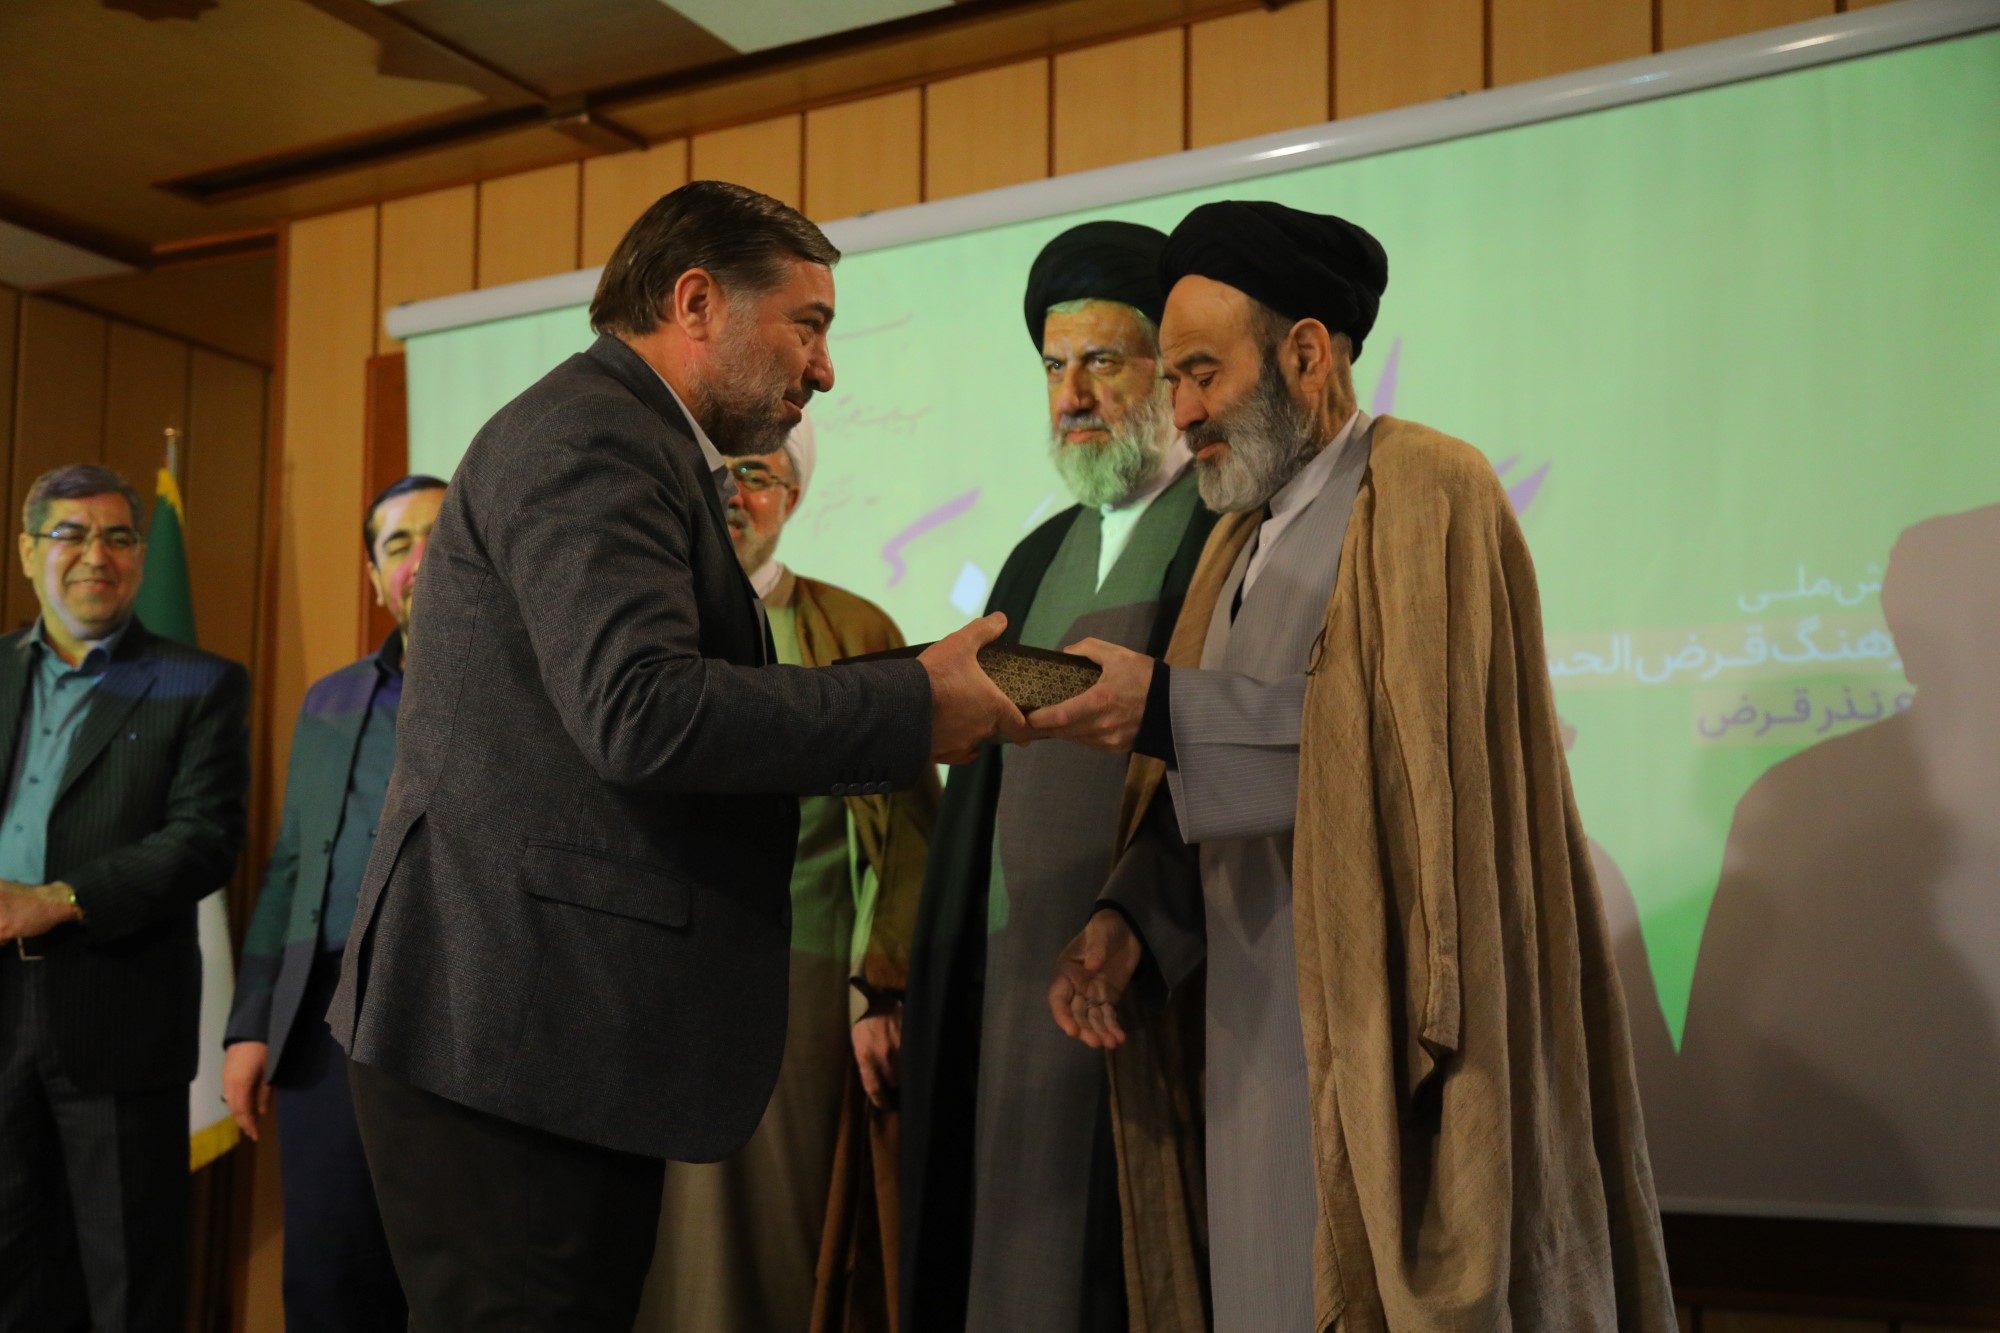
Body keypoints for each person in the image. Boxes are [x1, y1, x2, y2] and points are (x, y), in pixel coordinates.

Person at [325, 180, 1025, 1332]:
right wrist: (908, 705)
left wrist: (914, 686)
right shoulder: (592, 438)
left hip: (536, 1034)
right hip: (509, 1038)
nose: (824, 369)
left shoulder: (623, 433)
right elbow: (641, 712)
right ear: (695, 302)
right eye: (807, 325)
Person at [1033, 201, 1675, 1330]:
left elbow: (1416, 762)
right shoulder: (1233, 538)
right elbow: (1216, 796)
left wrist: (1165, 706)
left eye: (1200, 374)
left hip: (1391, 1046)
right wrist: (1130, 920)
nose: (1181, 413)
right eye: (1172, 381)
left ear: (1305, 354)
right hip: (1247, 1042)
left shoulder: (1426, 489)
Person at [899, 220, 1217, 1333]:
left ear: (1168, 369)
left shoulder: (1221, 532)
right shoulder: (1036, 554)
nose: (1071, 395)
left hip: (1152, 964)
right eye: (1052, 366)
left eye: (1101, 361)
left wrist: (1138, 919)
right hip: (1010, 967)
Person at [637, 420, 938, 1332]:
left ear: (793, 497)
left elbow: (910, 831)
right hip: (651, 985)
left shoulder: (854, 629)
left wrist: (882, 988)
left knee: (785, 1225)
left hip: (798, 985)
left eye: (757, 476)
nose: (734, 496)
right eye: (715, 475)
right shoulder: (644, 627)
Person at [0, 463, 251, 1333]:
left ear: (141, 557)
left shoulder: (200, 681)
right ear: (27, 551)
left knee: (128, 1287)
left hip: (113, 1010)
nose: (94, 555)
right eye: (69, 534)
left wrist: (58, 897)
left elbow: (205, 838)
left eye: (116, 537)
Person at [220, 473, 444, 1331]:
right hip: (324, 1022)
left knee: (447, 1278)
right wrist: (249, 1026)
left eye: (441, 535)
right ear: (375, 576)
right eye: (399, 544)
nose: (422, 558)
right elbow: (291, 867)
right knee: (328, 1272)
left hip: (456, 1015)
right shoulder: (332, 697)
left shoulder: (526, 683)